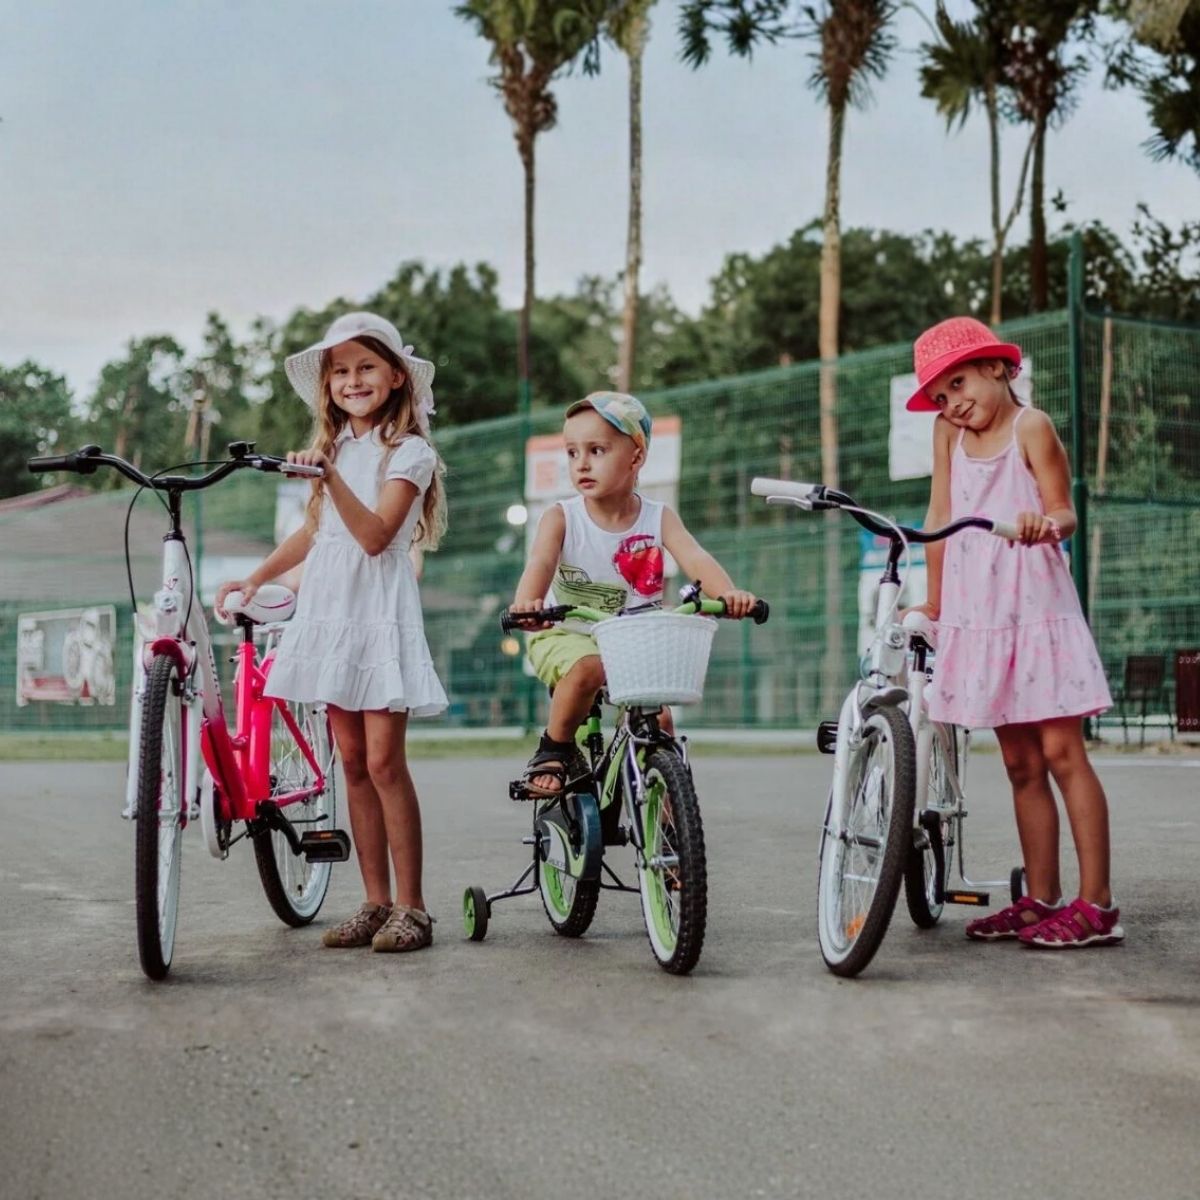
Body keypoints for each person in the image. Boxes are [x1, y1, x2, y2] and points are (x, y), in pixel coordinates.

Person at [216, 312, 447, 954]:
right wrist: (255, 576)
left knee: (383, 761)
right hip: (330, 611)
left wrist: (329, 476)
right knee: (349, 761)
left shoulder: (411, 452)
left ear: (397, 376)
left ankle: (414, 908)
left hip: (376, 612)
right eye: (340, 371)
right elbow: (319, 533)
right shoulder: (337, 447)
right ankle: (374, 903)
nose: (353, 380)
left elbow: (374, 537)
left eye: (366, 366)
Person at [905, 316, 1121, 948]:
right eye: (941, 395)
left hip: (1035, 611)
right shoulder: (947, 435)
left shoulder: (1032, 425)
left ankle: (1097, 904)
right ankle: (1042, 898)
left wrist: (1042, 524)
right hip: (983, 617)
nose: (953, 402)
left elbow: (1065, 512)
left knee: (1061, 754)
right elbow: (941, 517)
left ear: (999, 367)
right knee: (1020, 762)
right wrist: (940, 603)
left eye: (961, 382)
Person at [509, 391, 757, 800]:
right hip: (565, 632)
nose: (581, 463)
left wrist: (728, 595)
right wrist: (529, 604)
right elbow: (539, 563)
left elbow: (696, 557)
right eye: (572, 453)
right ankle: (554, 749)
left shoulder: (658, 517)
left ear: (636, 457)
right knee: (588, 668)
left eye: (597, 450)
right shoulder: (562, 517)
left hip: (631, 641)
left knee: (661, 721)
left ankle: (672, 833)